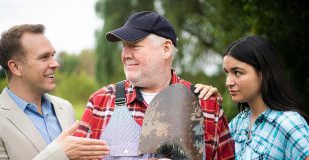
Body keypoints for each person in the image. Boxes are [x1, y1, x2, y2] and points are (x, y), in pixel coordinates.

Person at [74, 11, 235, 160]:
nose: (126, 55)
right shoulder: (100, 102)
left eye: (134, 46)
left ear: (166, 49)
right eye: (124, 46)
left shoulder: (206, 104)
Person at [0, 24, 109, 160]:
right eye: (44, 58)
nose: (55, 64)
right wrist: (59, 154)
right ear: (16, 67)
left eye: (52, 55)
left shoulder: (65, 108)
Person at [222, 35, 309, 159]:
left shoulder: (289, 123)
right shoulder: (238, 124)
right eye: (227, 73)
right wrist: (208, 104)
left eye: (237, 72)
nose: (228, 82)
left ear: (263, 73)